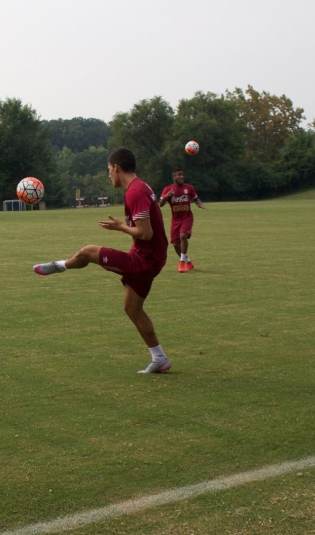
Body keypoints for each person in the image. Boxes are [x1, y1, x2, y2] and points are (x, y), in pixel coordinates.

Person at [33, 147, 171, 374]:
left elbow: (145, 234)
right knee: (132, 309)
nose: (109, 174)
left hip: (145, 260)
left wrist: (120, 228)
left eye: (109, 170)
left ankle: (59, 266)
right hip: (151, 257)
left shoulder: (135, 191)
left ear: (116, 167)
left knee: (87, 252)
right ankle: (160, 359)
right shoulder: (140, 186)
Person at [158, 168, 205, 272]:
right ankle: (188, 262)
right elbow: (160, 204)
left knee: (183, 236)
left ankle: (181, 262)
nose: (182, 177)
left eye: (182, 175)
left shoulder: (189, 188)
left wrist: (199, 204)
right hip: (175, 220)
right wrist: (166, 197)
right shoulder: (168, 189)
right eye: (179, 175)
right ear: (174, 177)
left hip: (187, 217)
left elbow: (196, 198)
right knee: (175, 244)